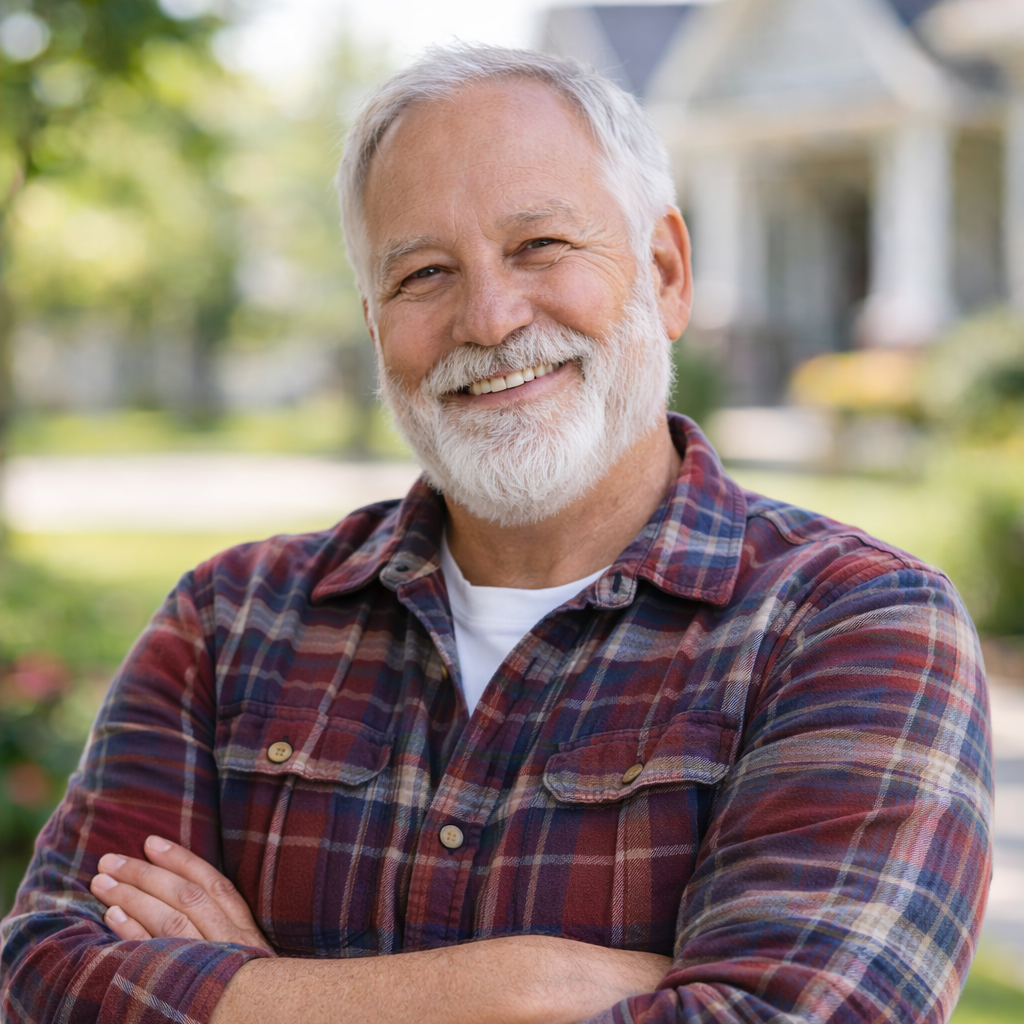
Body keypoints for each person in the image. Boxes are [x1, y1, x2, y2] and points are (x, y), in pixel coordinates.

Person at [0, 45, 992, 1024]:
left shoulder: (856, 625)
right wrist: (526, 988)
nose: (488, 316)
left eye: (541, 247)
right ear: (375, 323)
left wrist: (251, 996)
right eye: (424, 272)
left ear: (665, 272)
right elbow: (45, 979)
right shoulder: (227, 623)